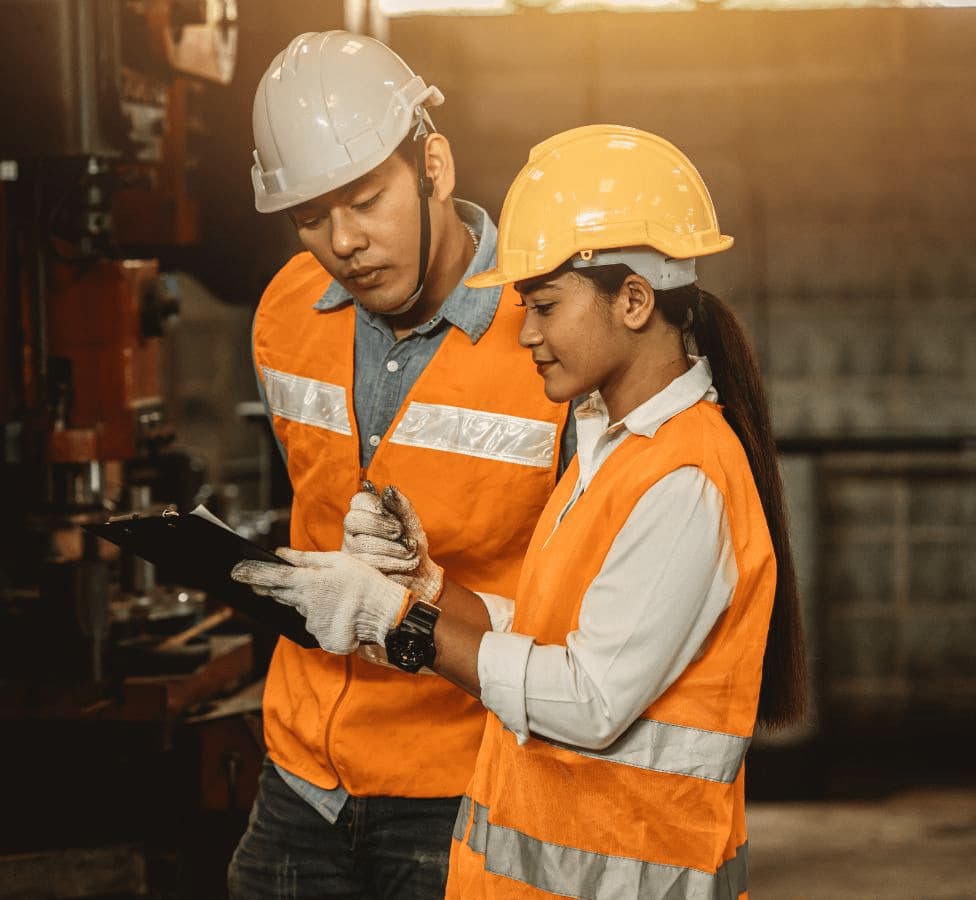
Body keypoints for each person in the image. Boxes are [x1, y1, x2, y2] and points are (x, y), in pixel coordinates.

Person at [233, 124, 807, 899]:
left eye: (542, 305)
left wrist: (394, 623)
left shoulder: (685, 477)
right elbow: (543, 631)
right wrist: (427, 586)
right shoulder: (617, 450)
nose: (524, 332)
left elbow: (588, 700)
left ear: (633, 299)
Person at [228, 31, 572, 898]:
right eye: (310, 217)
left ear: (434, 165)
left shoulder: (549, 336)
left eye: (368, 199)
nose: (344, 241)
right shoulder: (284, 313)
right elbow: (310, 506)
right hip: (302, 778)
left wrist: (413, 599)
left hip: (463, 780)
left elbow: (578, 613)